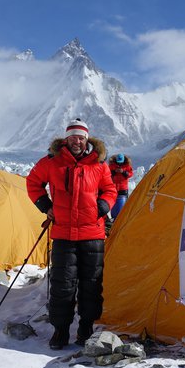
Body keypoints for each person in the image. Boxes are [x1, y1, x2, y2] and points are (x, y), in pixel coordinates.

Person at [26, 118, 117, 350]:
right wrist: (46, 205)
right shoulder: (52, 162)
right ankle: (61, 331)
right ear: (66, 139)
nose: (77, 141)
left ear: (87, 139)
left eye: (81, 137)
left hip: (92, 234)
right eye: (73, 136)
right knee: (62, 285)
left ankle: (86, 327)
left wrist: (102, 207)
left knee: (92, 285)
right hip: (63, 234)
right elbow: (33, 183)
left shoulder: (98, 164)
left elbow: (110, 189)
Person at [108, 153, 133, 219]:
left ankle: (120, 219)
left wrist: (123, 172)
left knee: (122, 204)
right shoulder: (112, 165)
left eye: (121, 162)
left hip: (123, 189)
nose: (119, 164)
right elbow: (107, 174)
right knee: (113, 204)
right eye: (118, 162)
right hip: (114, 188)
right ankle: (113, 218)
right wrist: (114, 172)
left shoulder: (127, 166)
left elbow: (130, 174)